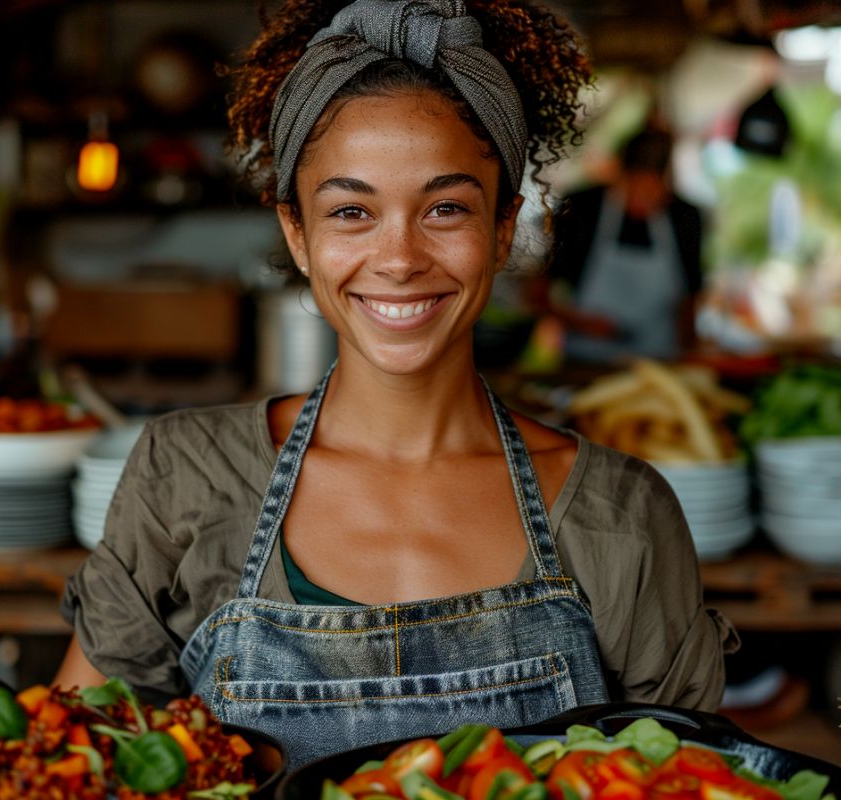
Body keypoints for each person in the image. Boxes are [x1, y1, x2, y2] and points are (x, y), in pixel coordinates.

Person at [56, 0, 736, 766]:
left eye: (446, 208)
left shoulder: (622, 517)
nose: (401, 258)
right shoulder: (187, 473)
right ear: (297, 235)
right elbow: (72, 756)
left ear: (505, 227)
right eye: (352, 211)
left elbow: (688, 778)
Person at [538, 127, 704, 363]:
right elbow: (538, 292)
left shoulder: (684, 217)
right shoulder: (582, 208)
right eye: (635, 187)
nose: (642, 201)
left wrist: (690, 353)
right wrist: (579, 322)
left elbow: (690, 298)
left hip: (659, 362)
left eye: (653, 191)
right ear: (618, 174)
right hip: (584, 360)